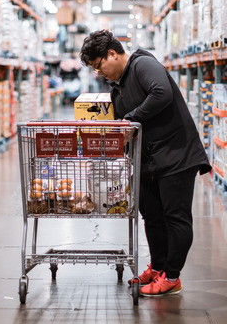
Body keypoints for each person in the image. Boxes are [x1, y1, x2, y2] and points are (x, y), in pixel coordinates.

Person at [80, 30, 211, 297]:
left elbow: (161, 93)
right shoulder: (117, 85)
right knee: (152, 215)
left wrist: (131, 119)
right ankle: (159, 267)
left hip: (176, 155)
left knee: (175, 217)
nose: (98, 72)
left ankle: (172, 276)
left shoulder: (142, 64)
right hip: (149, 160)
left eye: (98, 65)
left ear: (112, 54)